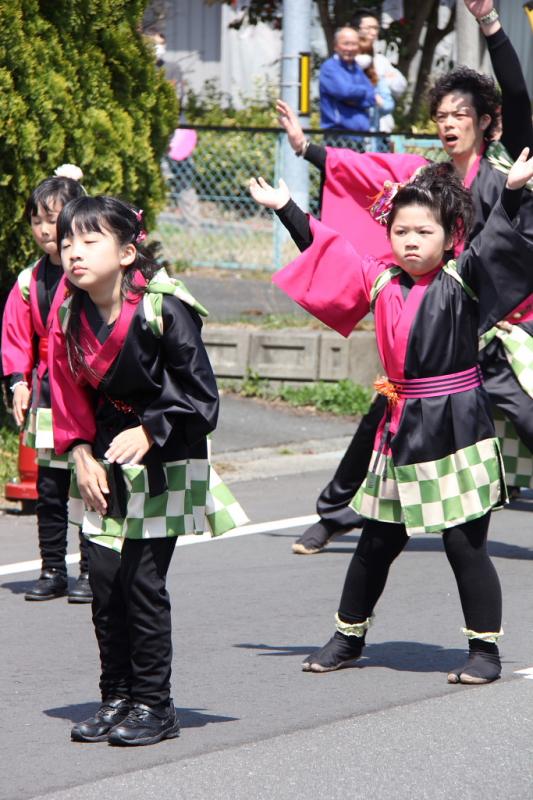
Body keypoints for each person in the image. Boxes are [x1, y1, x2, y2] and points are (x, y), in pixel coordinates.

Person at [249, 147, 533, 684]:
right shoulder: (379, 279)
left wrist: (514, 192)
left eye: (424, 232)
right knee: (377, 541)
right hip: (400, 425)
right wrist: (286, 207)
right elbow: (327, 249)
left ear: (450, 237)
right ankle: (348, 637)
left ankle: (485, 652)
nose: (410, 241)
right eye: (401, 231)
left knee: (464, 544)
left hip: (457, 424)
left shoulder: (465, 276)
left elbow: (501, 240)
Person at [278, 0, 533, 554]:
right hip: (438, 324)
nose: (448, 124)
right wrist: (307, 148)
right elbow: (367, 171)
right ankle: (336, 512)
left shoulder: (507, 170)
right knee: (386, 411)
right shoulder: (427, 179)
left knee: (530, 416)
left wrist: (490, 24)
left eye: (459, 114)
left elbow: (517, 96)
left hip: (504, 328)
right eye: (440, 116)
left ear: (485, 121)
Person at [48, 196, 220, 745]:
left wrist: (149, 430)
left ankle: (155, 705)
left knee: (142, 581)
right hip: (103, 457)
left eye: (90, 240)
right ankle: (117, 697)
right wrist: (79, 455)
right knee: (103, 579)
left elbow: (202, 397)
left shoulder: (164, 307)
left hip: (166, 455)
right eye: (67, 242)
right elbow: (66, 393)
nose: (74, 252)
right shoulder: (69, 313)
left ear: (126, 253)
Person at [1, 167, 92, 602]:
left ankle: (92, 570)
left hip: (89, 394)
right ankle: (53, 568)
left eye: (52, 219)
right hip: (47, 394)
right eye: (36, 220)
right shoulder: (29, 281)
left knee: (90, 484)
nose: (43, 229)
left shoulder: (92, 272)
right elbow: (16, 337)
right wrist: (18, 382)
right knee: (50, 488)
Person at [354, 8, 407, 133]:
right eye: (368, 28)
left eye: (376, 28)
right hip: (354, 129)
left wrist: (383, 81)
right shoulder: (345, 61)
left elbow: (401, 85)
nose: (373, 32)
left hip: (381, 128)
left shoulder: (381, 60)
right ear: (356, 29)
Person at [319, 27, 375, 134]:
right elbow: (345, 92)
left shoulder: (357, 68)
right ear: (336, 46)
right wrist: (362, 93)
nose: (350, 48)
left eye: (354, 44)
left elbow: (371, 97)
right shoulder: (329, 67)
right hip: (338, 133)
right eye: (346, 44)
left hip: (361, 134)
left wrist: (354, 99)